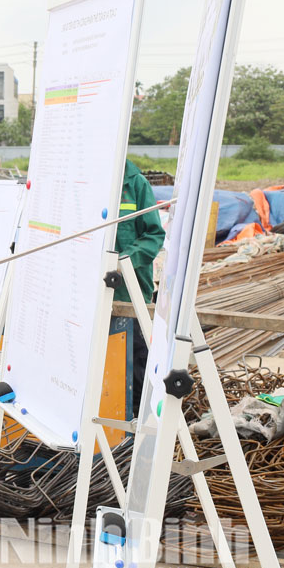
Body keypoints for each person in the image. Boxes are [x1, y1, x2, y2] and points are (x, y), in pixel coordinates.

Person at [113, 158, 166, 412]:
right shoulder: (85, 182)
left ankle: (137, 418)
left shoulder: (135, 185)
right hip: (89, 297)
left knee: (135, 363)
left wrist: (124, 262)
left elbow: (153, 235)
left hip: (129, 293)